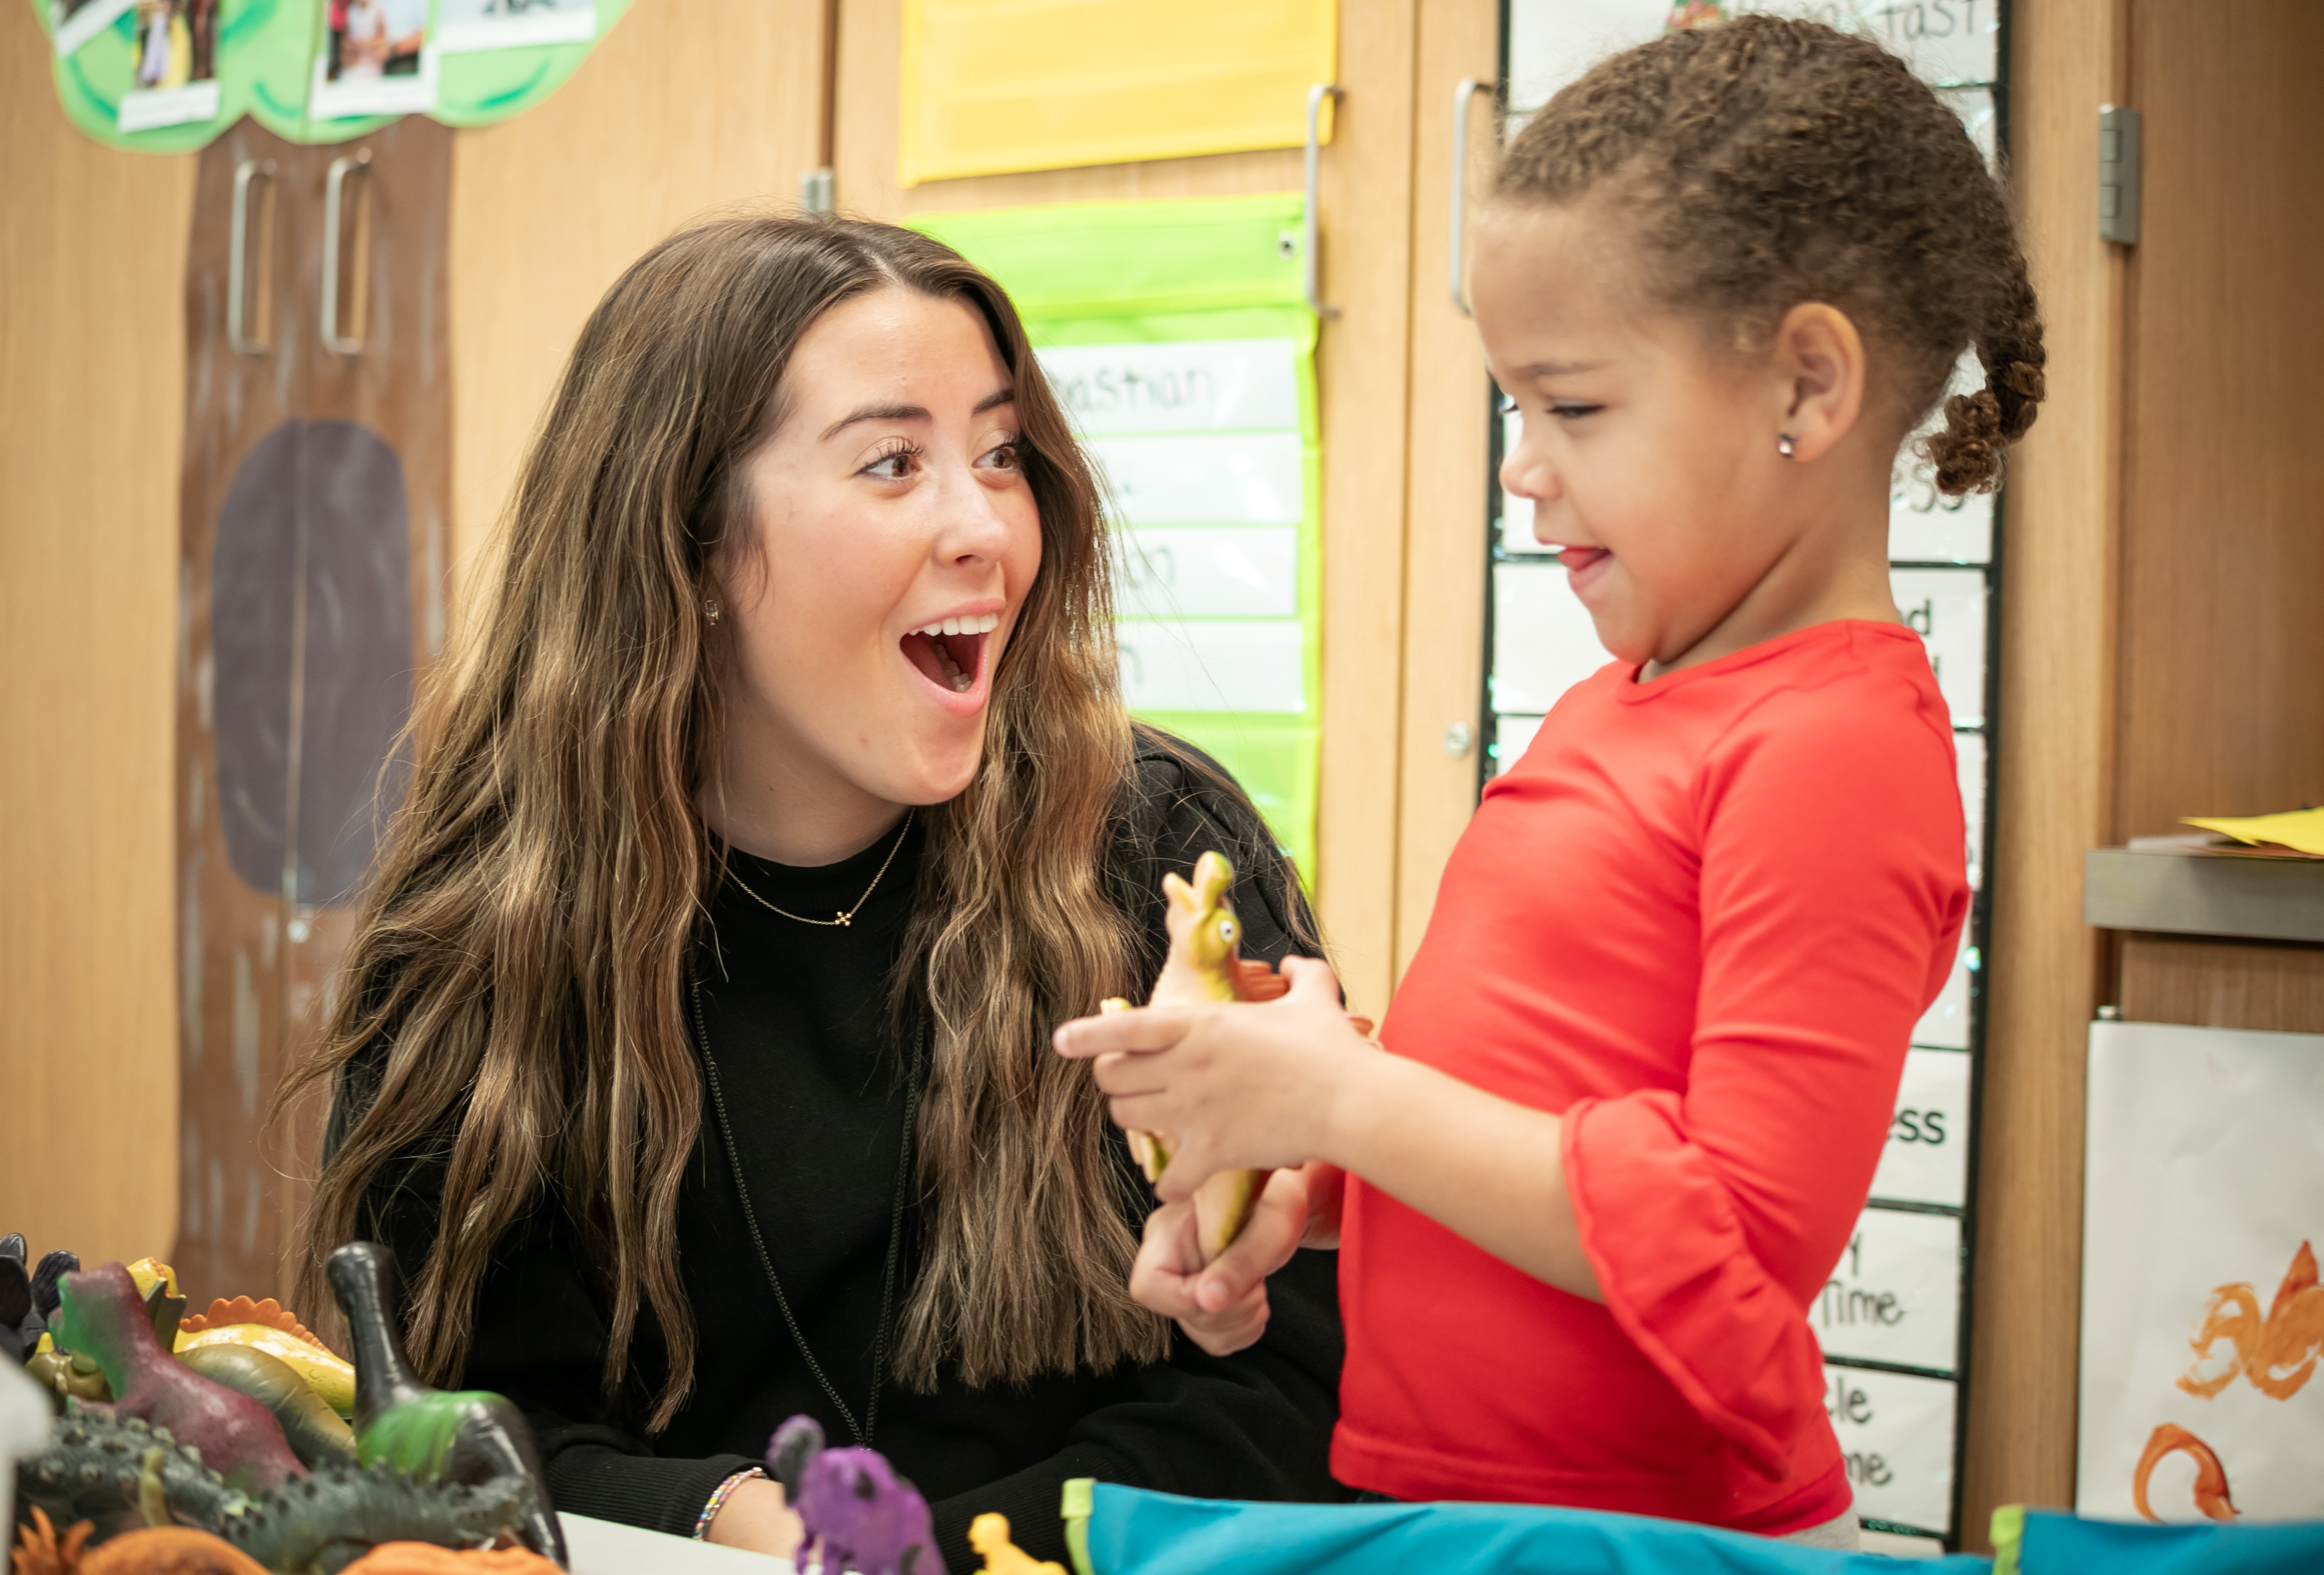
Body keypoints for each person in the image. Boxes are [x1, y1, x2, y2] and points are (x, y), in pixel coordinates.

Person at [1057, 15, 2041, 1548]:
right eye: (1516, 405)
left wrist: (1354, 1095)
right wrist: (1306, 1172)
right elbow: (1544, 1121)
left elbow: (1728, 1235)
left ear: (1808, 384)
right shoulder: (1623, 703)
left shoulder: (1835, 751)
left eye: (1572, 406)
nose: (1524, 464)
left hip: (1642, 1535)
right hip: (1451, 1498)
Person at [283, 217, 1345, 1573]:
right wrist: (724, 1518)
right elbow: (435, 1417)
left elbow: (1291, 1391)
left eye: (1002, 454)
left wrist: (920, 1561)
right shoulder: (493, 914)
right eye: (893, 462)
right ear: (693, 541)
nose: (983, 527)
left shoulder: (1153, 847)